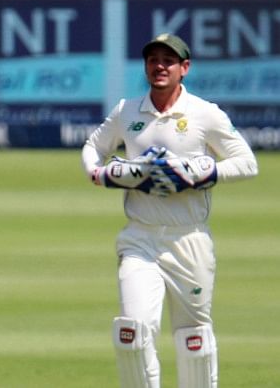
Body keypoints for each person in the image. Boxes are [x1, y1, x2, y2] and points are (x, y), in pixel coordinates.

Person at [81, 33, 258, 388]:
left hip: (189, 239)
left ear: (184, 68)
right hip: (140, 238)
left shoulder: (205, 113)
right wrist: (101, 174)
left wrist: (202, 172)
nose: (159, 66)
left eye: (168, 61)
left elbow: (247, 163)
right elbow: (93, 146)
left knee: (194, 339)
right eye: (153, 60)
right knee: (132, 333)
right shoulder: (127, 110)